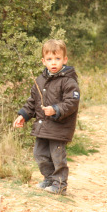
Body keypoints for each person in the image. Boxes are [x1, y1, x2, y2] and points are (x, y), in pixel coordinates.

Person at [13, 39, 80, 195]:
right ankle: (48, 179)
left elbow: (72, 102)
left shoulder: (68, 81)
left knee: (57, 156)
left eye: (57, 59)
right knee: (40, 154)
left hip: (59, 127)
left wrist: (55, 109)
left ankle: (60, 184)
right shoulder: (40, 80)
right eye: (49, 59)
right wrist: (23, 115)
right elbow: (32, 102)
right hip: (43, 126)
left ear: (65, 60)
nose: (53, 63)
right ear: (43, 61)